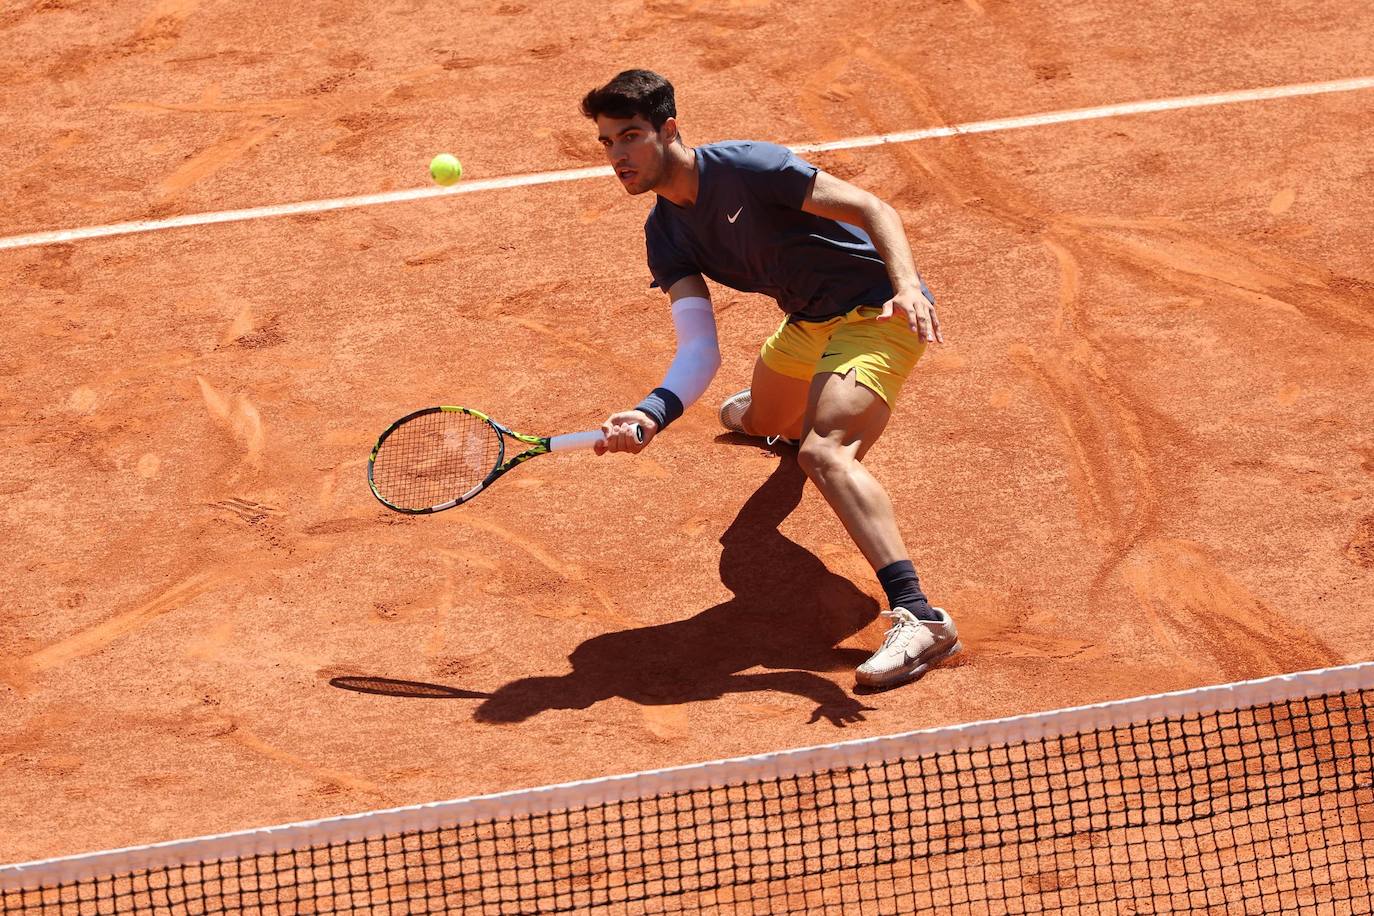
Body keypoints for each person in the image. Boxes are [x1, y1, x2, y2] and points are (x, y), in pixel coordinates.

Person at [583, 69, 959, 690]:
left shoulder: (748, 167)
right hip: (806, 325)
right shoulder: (664, 234)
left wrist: (906, 287)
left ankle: (921, 617)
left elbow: (872, 208)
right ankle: (764, 415)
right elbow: (700, 347)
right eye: (606, 143)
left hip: (875, 314)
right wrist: (651, 411)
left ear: (668, 130)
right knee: (763, 426)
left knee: (823, 452)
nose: (618, 156)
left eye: (630, 137)